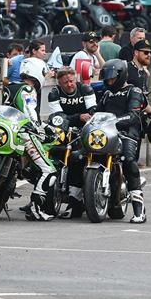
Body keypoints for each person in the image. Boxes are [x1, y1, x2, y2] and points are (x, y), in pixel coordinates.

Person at [4, 57, 57, 221]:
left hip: (4, 133)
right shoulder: (28, 90)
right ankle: (35, 208)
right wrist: (48, 130)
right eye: (44, 73)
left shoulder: (9, 88)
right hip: (22, 134)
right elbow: (31, 117)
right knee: (49, 170)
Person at [96, 59, 147, 223]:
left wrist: (113, 122)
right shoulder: (106, 94)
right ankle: (74, 203)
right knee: (79, 155)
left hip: (127, 133)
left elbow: (134, 115)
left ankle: (139, 210)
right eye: (107, 79)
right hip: (106, 134)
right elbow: (97, 114)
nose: (109, 82)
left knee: (129, 161)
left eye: (112, 78)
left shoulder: (135, 91)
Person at [48, 66, 97, 219]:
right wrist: (77, 117)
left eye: (71, 81)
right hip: (63, 129)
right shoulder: (54, 93)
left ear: (75, 78)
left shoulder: (86, 89)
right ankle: (45, 195)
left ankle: (76, 199)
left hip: (85, 130)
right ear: (59, 83)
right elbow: (58, 117)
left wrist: (81, 118)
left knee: (77, 158)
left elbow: (92, 112)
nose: (69, 85)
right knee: (51, 155)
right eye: (65, 82)